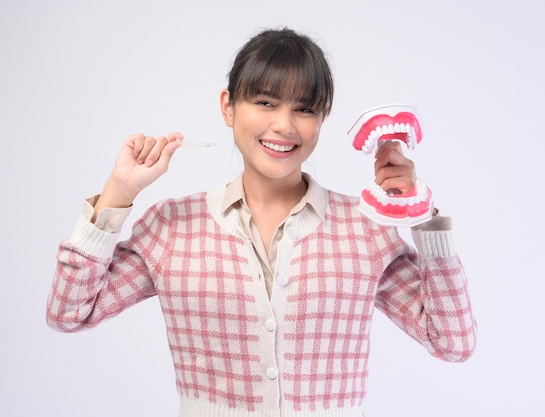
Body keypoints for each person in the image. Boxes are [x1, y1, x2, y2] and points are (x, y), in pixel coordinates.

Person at [46, 27, 477, 417]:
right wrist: (118, 192)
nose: (284, 125)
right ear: (228, 106)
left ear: (322, 119)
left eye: (304, 109)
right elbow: (69, 313)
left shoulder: (364, 230)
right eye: (265, 102)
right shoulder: (173, 226)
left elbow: (452, 341)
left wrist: (421, 214)